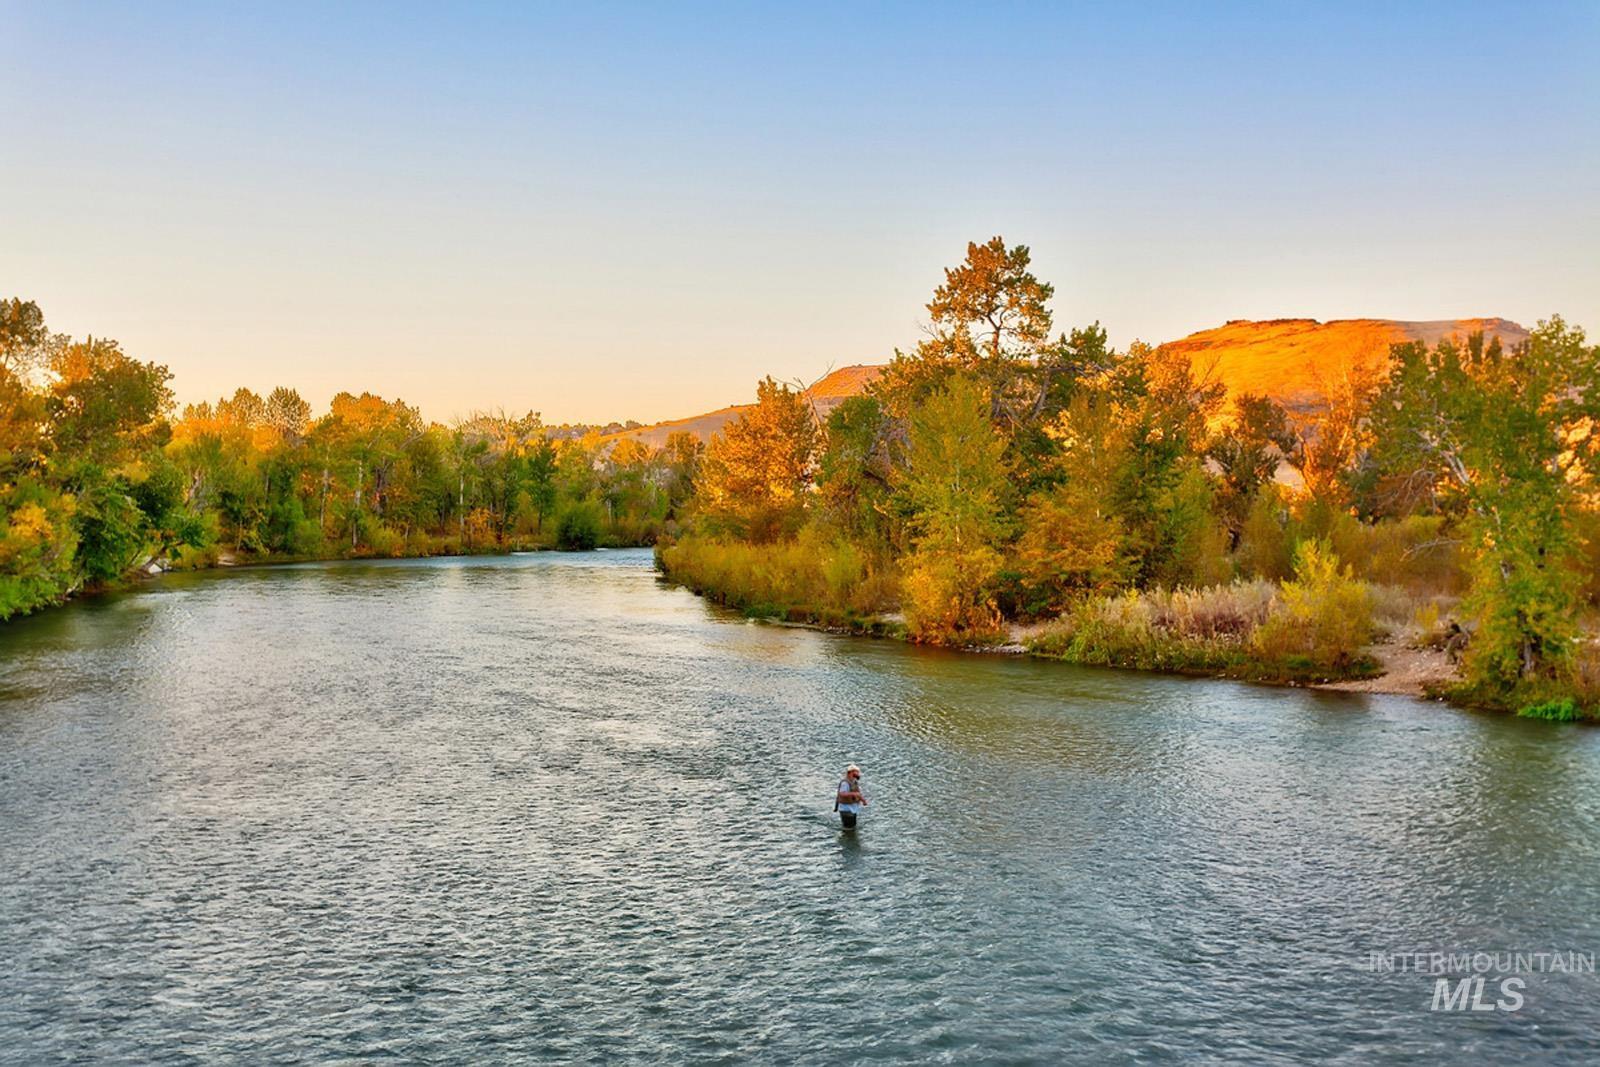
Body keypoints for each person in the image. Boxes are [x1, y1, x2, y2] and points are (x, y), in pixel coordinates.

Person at [835, 764, 867, 830]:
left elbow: (858, 793)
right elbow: (842, 794)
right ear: (851, 772)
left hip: (853, 809)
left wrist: (863, 800)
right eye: (856, 772)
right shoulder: (845, 783)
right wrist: (853, 794)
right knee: (848, 828)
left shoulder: (854, 781)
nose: (858, 774)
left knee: (853, 827)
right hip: (846, 809)